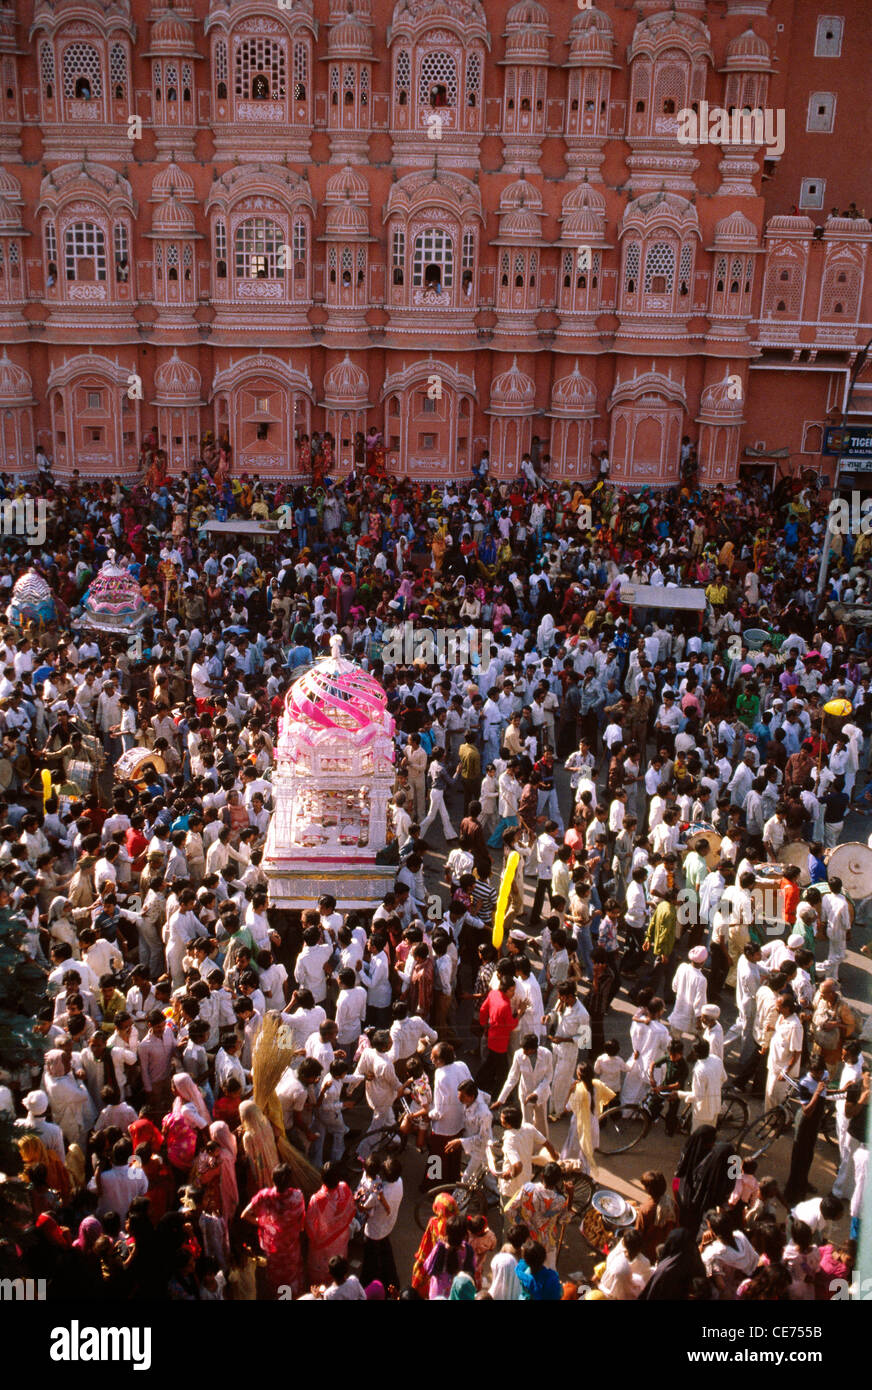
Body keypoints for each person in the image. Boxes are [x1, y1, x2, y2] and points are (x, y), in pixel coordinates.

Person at [241, 1163, 306, 1299]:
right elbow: (301, 1223)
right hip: (291, 1249)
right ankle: (288, 1297)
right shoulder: (297, 1197)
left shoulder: (264, 1196)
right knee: (290, 1278)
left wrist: (262, 1222)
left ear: (272, 1178)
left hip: (273, 1248)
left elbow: (244, 1215)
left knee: (276, 1279)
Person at [305, 1162, 356, 1285]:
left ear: (322, 1178)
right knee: (338, 1259)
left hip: (323, 1242)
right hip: (341, 1236)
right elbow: (351, 1208)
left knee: (321, 1266)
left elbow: (309, 1224)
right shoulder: (344, 1188)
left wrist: (316, 1239)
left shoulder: (317, 1200)